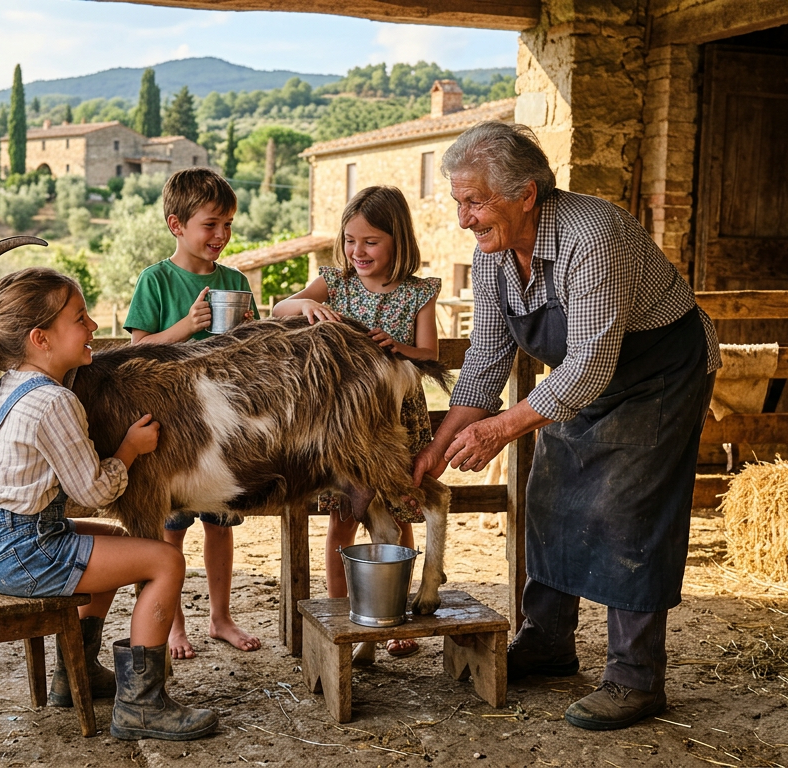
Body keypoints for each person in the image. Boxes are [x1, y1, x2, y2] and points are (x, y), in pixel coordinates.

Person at [412, 122, 720, 731]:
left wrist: (504, 428)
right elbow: (487, 359)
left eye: (475, 202)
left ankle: (635, 679)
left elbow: (590, 361)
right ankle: (548, 641)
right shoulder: (495, 254)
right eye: (459, 202)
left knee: (629, 513)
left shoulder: (593, 235)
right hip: (582, 382)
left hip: (656, 374)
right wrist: (437, 446)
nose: (465, 219)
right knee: (550, 495)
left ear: (526, 194)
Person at [0, 267, 217, 741]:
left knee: (114, 543)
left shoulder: (11, 385)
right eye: (80, 318)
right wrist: (130, 451)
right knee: (164, 561)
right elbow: (94, 492)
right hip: (24, 554)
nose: (93, 326)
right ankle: (142, 706)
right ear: (41, 338)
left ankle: (76, 674)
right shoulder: (54, 402)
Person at [273, 185, 440, 664]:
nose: (357, 251)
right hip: (343, 425)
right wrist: (305, 307)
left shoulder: (418, 294)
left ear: (398, 241)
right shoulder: (336, 283)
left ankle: (390, 612)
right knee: (343, 519)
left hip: (393, 419)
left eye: (370, 241)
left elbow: (428, 352)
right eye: (350, 240)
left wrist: (399, 347)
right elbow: (282, 308)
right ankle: (344, 610)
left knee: (399, 514)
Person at [123, 167, 261, 659]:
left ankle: (220, 618)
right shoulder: (156, 280)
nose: (221, 235)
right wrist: (186, 327)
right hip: (173, 433)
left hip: (222, 433)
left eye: (227, 224)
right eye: (211, 224)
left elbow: (254, 355)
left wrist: (244, 335)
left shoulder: (235, 281)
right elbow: (136, 352)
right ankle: (175, 625)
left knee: (221, 527)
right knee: (171, 532)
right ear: (176, 224)